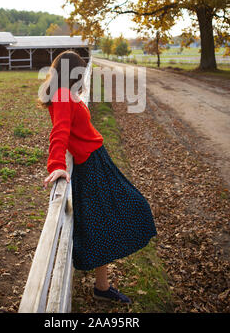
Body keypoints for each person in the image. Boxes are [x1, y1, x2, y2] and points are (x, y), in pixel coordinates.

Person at [38, 50, 157, 304]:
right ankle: (102, 287)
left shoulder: (67, 94)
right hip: (91, 165)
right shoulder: (61, 96)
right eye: (79, 74)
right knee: (116, 215)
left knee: (121, 211)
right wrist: (56, 165)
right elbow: (58, 133)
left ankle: (102, 286)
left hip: (98, 160)